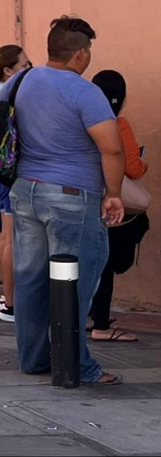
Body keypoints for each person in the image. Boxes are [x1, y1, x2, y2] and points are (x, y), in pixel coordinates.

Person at [6, 16, 124, 386]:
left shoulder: (21, 80)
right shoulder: (84, 91)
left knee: (31, 280)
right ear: (81, 54)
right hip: (72, 196)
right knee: (76, 281)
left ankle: (34, 358)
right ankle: (77, 366)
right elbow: (112, 147)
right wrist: (114, 194)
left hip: (26, 190)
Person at [87, 70, 149, 344]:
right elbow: (133, 169)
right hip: (108, 200)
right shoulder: (118, 125)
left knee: (82, 261)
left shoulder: (80, 120)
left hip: (78, 195)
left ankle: (85, 316)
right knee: (107, 262)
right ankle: (101, 324)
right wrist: (144, 162)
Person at [0, 45, 30, 321]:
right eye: (24, 65)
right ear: (8, 70)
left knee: (7, 237)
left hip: (1, 173)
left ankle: (8, 296)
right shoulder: (6, 92)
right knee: (10, 238)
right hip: (9, 174)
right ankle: (11, 302)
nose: (28, 70)